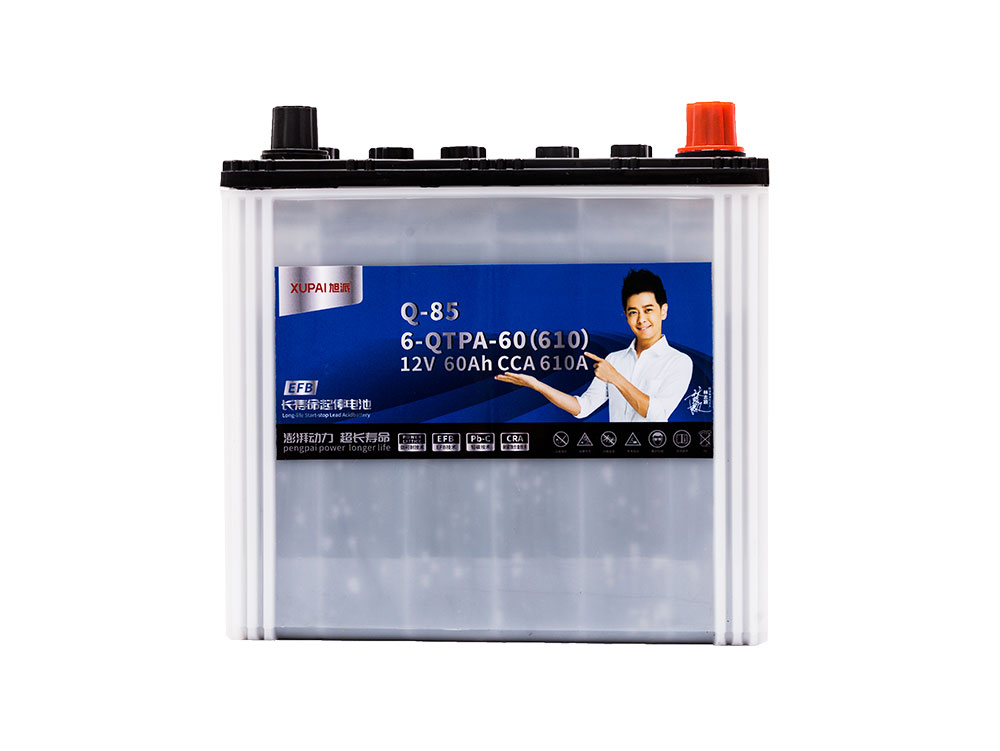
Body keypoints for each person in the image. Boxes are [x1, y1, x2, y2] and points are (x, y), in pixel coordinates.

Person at [495, 269, 693, 422]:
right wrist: (537, 385)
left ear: (663, 311)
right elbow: (583, 407)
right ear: (626, 316)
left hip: (657, 454)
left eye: (648, 310)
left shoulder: (679, 362)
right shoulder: (614, 360)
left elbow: (657, 414)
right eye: (633, 312)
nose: (641, 319)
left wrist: (615, 378)